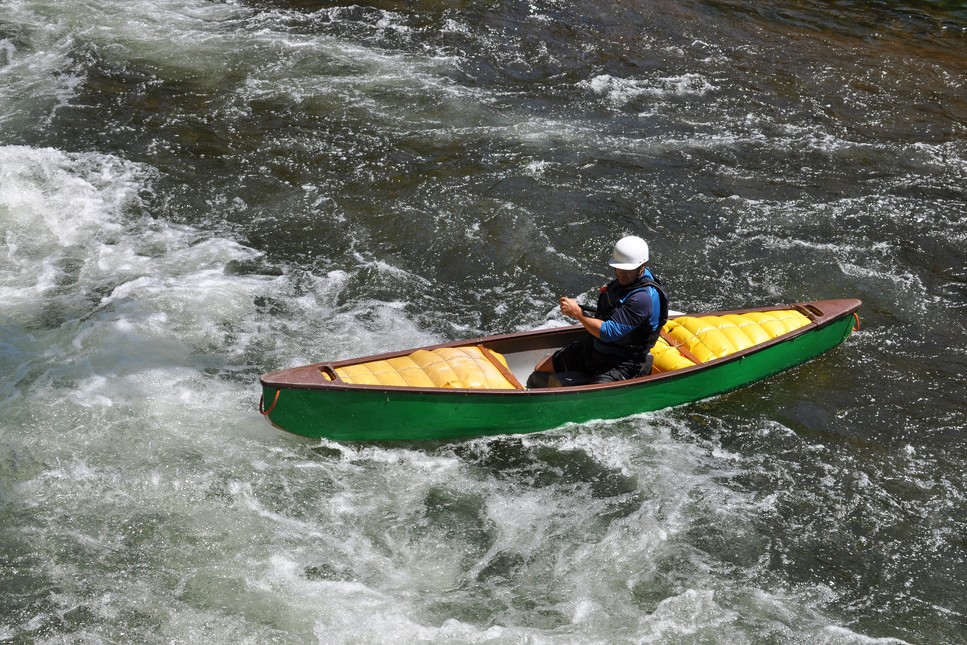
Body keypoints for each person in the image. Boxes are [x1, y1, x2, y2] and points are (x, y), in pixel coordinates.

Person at [527, 235, 668, 387]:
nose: (621, 273)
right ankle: (580, 373)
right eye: (618, 267)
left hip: (623, 362)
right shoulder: (627, 280)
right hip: (597, 348)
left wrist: (577, 313)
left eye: (627, 269)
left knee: (593, 392)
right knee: (540, 368)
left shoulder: (643, 298)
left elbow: (609, 332)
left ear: (642, 265)